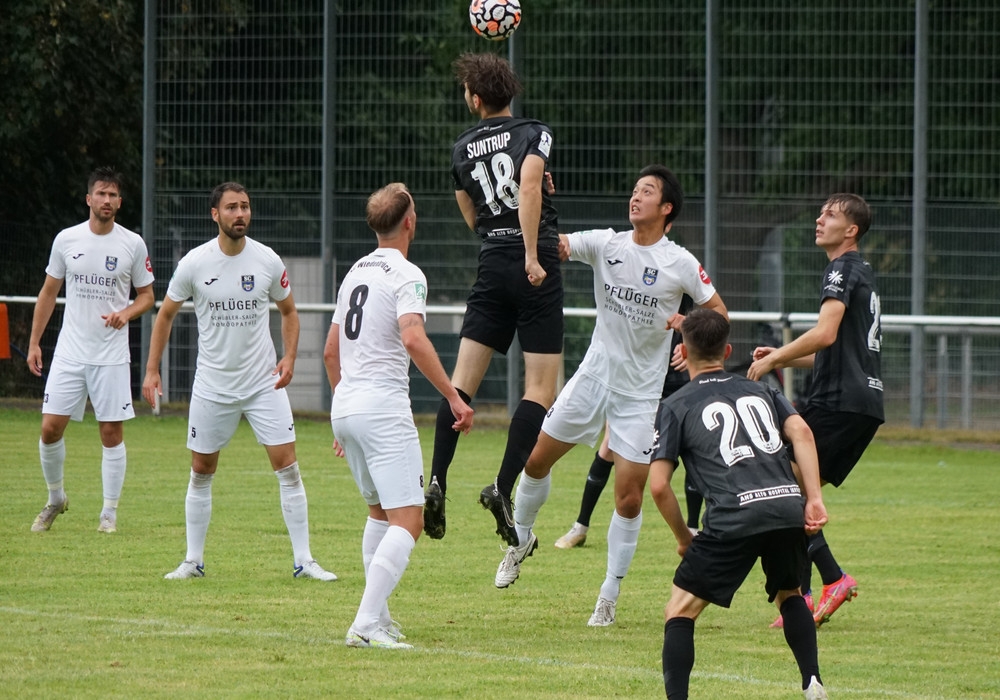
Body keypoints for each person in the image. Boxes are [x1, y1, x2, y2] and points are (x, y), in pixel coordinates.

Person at [493, 165, 727, 630]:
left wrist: (688, 328)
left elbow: (718, 314)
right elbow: (557, 245)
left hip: (640, 396)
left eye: (647, 192)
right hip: (592, 379)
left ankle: (609, 595)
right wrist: (539, 201)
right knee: (534, 462)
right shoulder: (607, 243)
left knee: (629, 498)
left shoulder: (680, 262)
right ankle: (519, 540)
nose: (635, 197)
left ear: (667, 208)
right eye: (635, 190)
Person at [142, 182, 336, 582]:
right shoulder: (195, 263)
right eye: (231, 207)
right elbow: (165, 315)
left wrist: (289, 357)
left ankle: (305, 561)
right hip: (212, 386)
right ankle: (192, 561)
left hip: (264, 384)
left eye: (245, 206)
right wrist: (151, 369)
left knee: (288, 468)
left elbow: (289, 311)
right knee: (201, 470)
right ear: (215, 214)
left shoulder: (267, 260)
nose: (240, 214)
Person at [649, 308, 829, 700]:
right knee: (790, 594)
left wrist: (683, 538)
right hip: (785, 506)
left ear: (683, 352)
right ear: (727, 351)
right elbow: (802, 432)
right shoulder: (763, 389)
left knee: (679, 610)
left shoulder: (675, 405)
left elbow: (659, 486)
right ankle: (813, 682)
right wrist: (813, 498)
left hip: (734, 514)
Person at [324, 183, 474, 649]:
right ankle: (365, 624)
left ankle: (380, 617)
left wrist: (344, 412)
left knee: (380, 514)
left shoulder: (355, 271)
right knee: (409, 520)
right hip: (382, 409)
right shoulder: (407, 273)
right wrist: (454, 397)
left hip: (346, 406)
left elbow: (331, 351)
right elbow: (412, 337)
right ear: (410, 222)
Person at [422, 52, 563, 544]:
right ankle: (502, 486)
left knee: (460, 384)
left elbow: (472, 215)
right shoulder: (535, 132)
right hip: (535, 263)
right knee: (540, 388)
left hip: (492, 261)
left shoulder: (462, 147)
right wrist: (531, 254)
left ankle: (436, 479)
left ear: (476, 98)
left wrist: (503, 239)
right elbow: (530, 188)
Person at [748, 193, 882, 628]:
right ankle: (805, 596)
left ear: (851, 231)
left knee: (779, 489)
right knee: (793, 495)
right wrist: (785, 358)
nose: (820, 219)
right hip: (860, 404)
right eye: (821, 213)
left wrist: (774, 357)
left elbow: (824, 334)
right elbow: (837, 349)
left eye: (831, 215)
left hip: (838, 402)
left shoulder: (841, 269)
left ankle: (829, 580)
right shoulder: (861, 271)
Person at [27, 166, 155, 534]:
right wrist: (35, 342)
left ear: (120, 202)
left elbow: (147, 296)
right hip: (70, 352)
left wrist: (125, 313)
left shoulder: (132, 244)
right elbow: (48, 292)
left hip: (111, 355)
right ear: (89, 198)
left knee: (111, 434)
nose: (107, 200)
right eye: (101, 193)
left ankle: (108, 513)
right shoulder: (67, 239)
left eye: (113, 195)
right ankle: (55, 498)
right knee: (50, 429)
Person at [553, 297, 703, 550]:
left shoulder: (685, 301)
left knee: (693, 450)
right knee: (608, 447)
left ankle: (693, 530)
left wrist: (692, 348)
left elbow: (712, 323)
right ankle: (580, 527)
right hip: (640, 388)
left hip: (679, 387)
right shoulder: (639, 305)